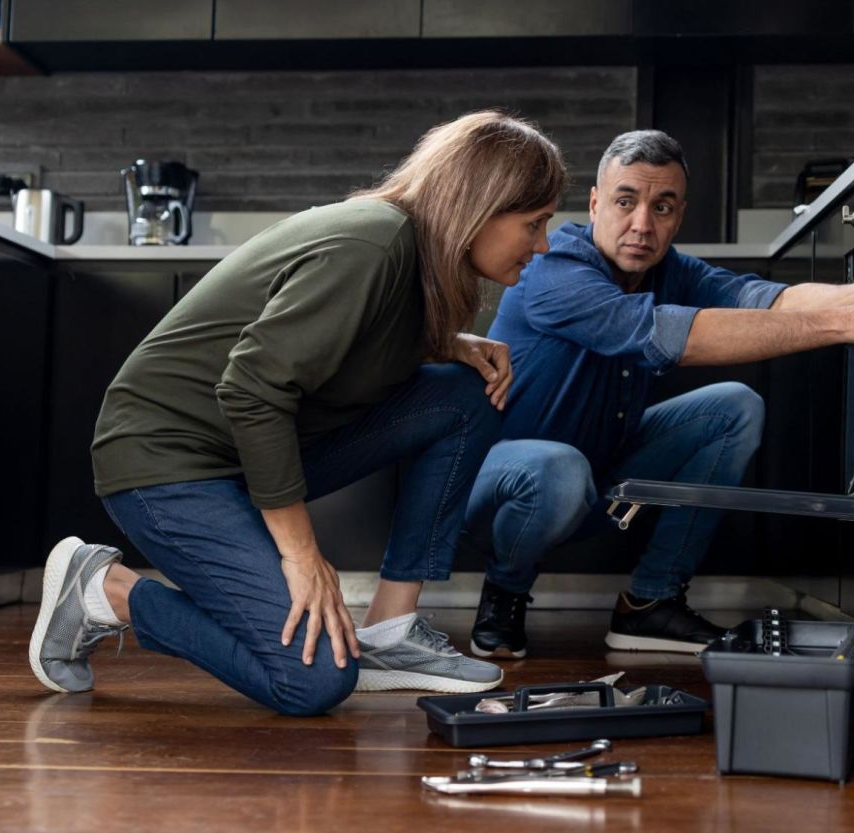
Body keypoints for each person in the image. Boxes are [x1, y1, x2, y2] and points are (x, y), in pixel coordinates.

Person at [28, 111, 568, 715]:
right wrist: (303, 555)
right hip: (165, 462)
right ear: (478, 206)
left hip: (233, 454)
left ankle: (390, 632)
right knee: (312, 681)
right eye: (534, 223)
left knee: (465, 396)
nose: (542, 244)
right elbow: (252, 390)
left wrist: (448, 343)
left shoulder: (411, 259)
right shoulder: (374, 243)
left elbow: (342, 345)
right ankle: (106, 591)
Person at [463, 129, 854, 657]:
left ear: (678, 215)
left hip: (597, 477)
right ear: (595, 204)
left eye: (662, 207)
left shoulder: (667, 271)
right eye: (626, 201)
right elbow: (661, 335)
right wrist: (848, 321)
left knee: (733, 407)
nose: (643, 224)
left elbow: (762, 297)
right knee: (557, 465)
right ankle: (504, 589)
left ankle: (650, 604)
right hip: (503, 487)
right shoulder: (553, 270)